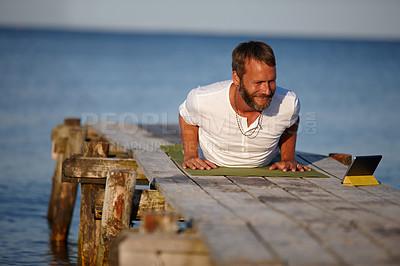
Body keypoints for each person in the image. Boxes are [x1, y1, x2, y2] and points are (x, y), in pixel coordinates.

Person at [179, 40, 310, 172]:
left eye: (271, 81)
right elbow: (186, 116)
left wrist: (288, 158)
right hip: (212, 167)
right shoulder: (202, 100)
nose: (267, 91)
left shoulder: (288, 103)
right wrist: (190, 155)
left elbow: (291, 120)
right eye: (258, 83)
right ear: (237, 78)